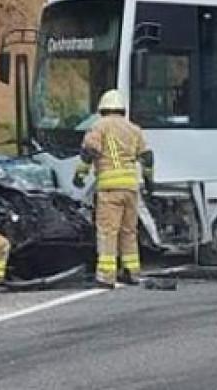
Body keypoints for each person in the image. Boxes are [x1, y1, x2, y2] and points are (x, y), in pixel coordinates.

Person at [73, 89, 154, 289]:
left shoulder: (99, 126)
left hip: (110, 188)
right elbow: (148, 157)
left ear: (102, 109)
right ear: (122, 109)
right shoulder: (134, 129)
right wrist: (149, 180)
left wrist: (80, 175)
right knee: (129, 231)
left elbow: (89, 151)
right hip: (131, 187)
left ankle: (106, 275)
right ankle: (132, 271)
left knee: (108, 231)